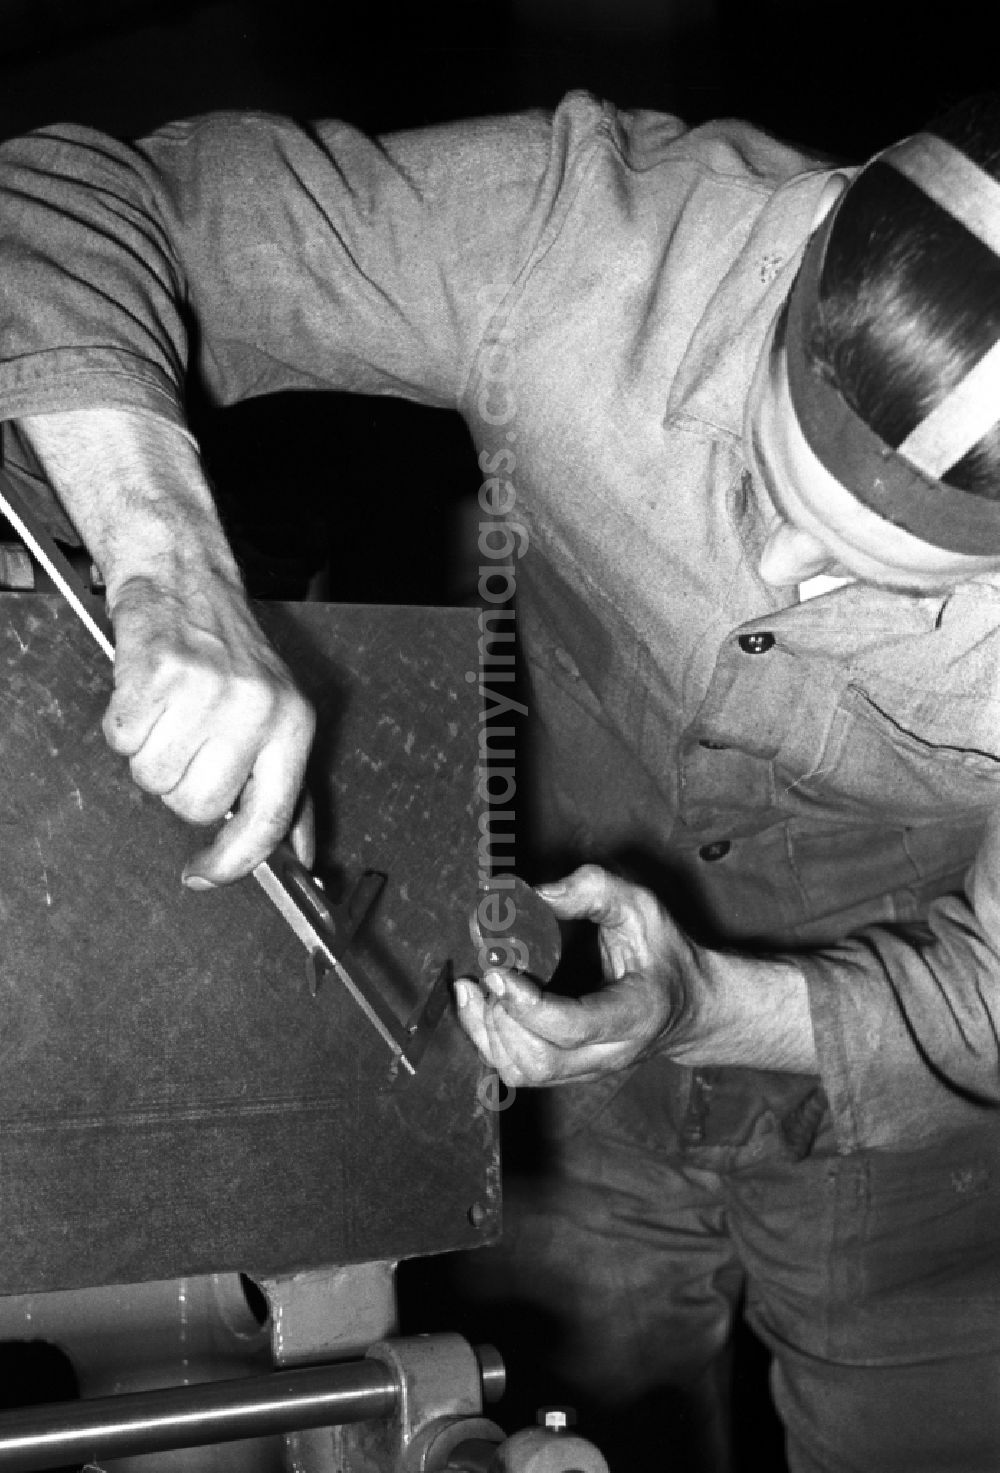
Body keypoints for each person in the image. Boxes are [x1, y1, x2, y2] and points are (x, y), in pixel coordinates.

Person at [2, 88, 1000, 1471]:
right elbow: (64, 203)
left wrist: (715, 1002)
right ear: (810, 240)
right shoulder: (594, 240)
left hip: (925, 1174)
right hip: (562, 1088)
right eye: (770, 479)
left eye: (863, 574)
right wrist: (165, 554)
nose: (772, 574)